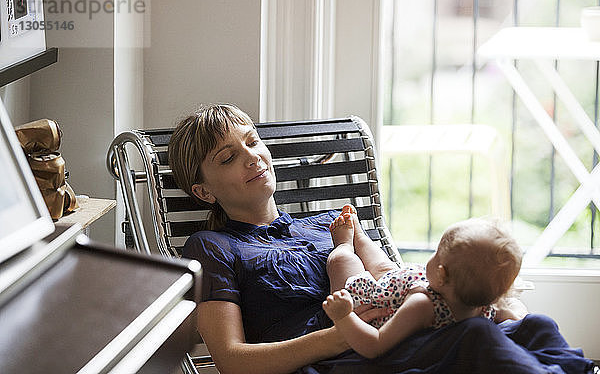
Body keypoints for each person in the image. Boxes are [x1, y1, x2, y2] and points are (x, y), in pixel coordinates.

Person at [169, 103, 594, 374]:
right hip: (341, 360)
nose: (252, 157)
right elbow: (230, 360)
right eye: (228, 157)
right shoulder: (212, 247)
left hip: (400, 335)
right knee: (477, 341)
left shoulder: (328, 225)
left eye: (252, 142)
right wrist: (341, 334)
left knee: (534, 326)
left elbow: (387, 274)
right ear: (204, 192)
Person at [323, 207, 523, 358]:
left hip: (373, 300)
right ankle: (359, 235)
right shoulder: (485, 305)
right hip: (400, 283)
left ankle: (344, 243)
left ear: (441, 273)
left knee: (341, 262)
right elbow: (518, 321)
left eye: (436, 254)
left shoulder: (422, 305)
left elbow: (375, 344)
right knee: (384, 267)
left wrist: (344, 316)